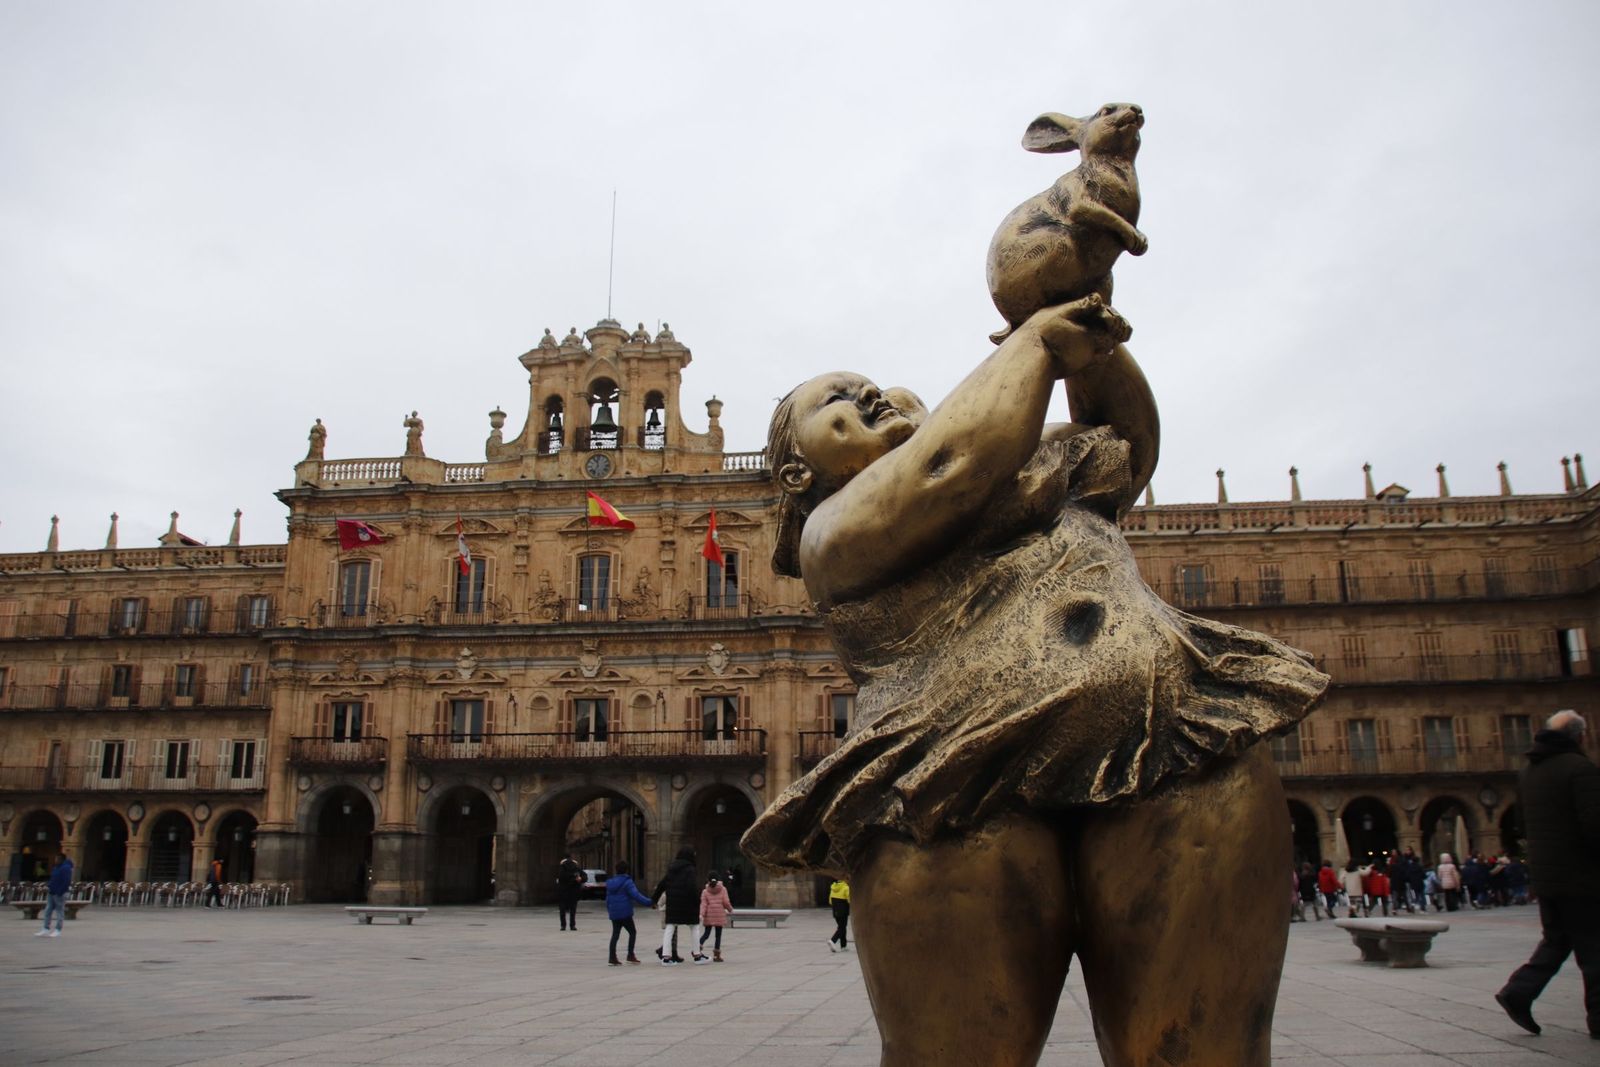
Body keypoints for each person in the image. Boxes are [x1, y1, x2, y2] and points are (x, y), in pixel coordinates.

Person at [740, 296, 1326, 1065]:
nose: (871, 391)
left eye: (878, 382)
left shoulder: (1039, 454)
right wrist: (1040, 335)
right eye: (836, 399)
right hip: (948, 797)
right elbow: (950, 467)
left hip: (1176, 747)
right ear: (796, 471)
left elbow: (1129, 441)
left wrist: (1089, 334)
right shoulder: (835, 530)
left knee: (1205, 1047)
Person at [1494, 710, 1600, 1039]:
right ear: (1580, 737)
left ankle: (1518, 992)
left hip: (1547, 878)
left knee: (1557, 941)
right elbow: (1595, 827)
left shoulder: (1528, 774)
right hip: (1582, 878)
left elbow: (1521, 827)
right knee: (1595, 949)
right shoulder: (1581, 770)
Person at [651, 847, 699, 966]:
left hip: (673, 903)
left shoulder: (671, 869)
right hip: (687, 903)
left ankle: (666, 957)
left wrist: (654, 900)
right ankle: (697, 954)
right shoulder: (690, 869)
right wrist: (697, 901)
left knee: (670, 928)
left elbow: (662, 884)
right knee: (694, 926)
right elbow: (692, 887)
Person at [604, 861, 653, 966]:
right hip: (625, 912)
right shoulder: (627, 882)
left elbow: (607, 900)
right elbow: (636, 895)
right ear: (626, 870)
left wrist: (610, 910)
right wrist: (649, 902)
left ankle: (612, 957)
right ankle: (630, 955)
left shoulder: (610, 883)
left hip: (614, 912)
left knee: (615, 935)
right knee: (632, 932)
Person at [694, 873, 734, 963]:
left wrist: (701, 914)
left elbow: (703, 904)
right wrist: (730, 909)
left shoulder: (705, 891)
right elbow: (726, 902)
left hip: (709, 915)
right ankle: (717, 956)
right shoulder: (723, 889)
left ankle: (697, 948)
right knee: (718, 936)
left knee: (706, 934)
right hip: (719, 914)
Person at [35, 851, 73, 938]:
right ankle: (45, 928)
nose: (55, 860)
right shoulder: (56, 867)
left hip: (60, 893)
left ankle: (58, 930)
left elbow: (66, 881)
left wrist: (60, 892)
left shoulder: (66, 868)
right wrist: (49, 886)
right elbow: (53, 878)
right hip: (52, 892)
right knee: (48, 910)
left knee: (59, 911)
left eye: (57, 858)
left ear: (61, 859)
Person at [556, 853, 583, 931]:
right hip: (573, 891)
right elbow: (583, 876)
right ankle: (572, 925)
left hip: (563, 891)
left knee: (562, 909)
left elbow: (560, 878)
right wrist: (579, 879)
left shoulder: (561, 866)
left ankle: (563, 925)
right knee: (573, 910)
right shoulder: (576, 866)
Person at [828, 878, 851, 951]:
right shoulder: (846, 888)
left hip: (835, 911)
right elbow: (849, 899)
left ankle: (843, 946)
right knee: (842, 927)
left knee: (842, 927)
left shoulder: (832, 887)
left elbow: (830, 901)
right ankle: (833, 940)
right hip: (843, 911)